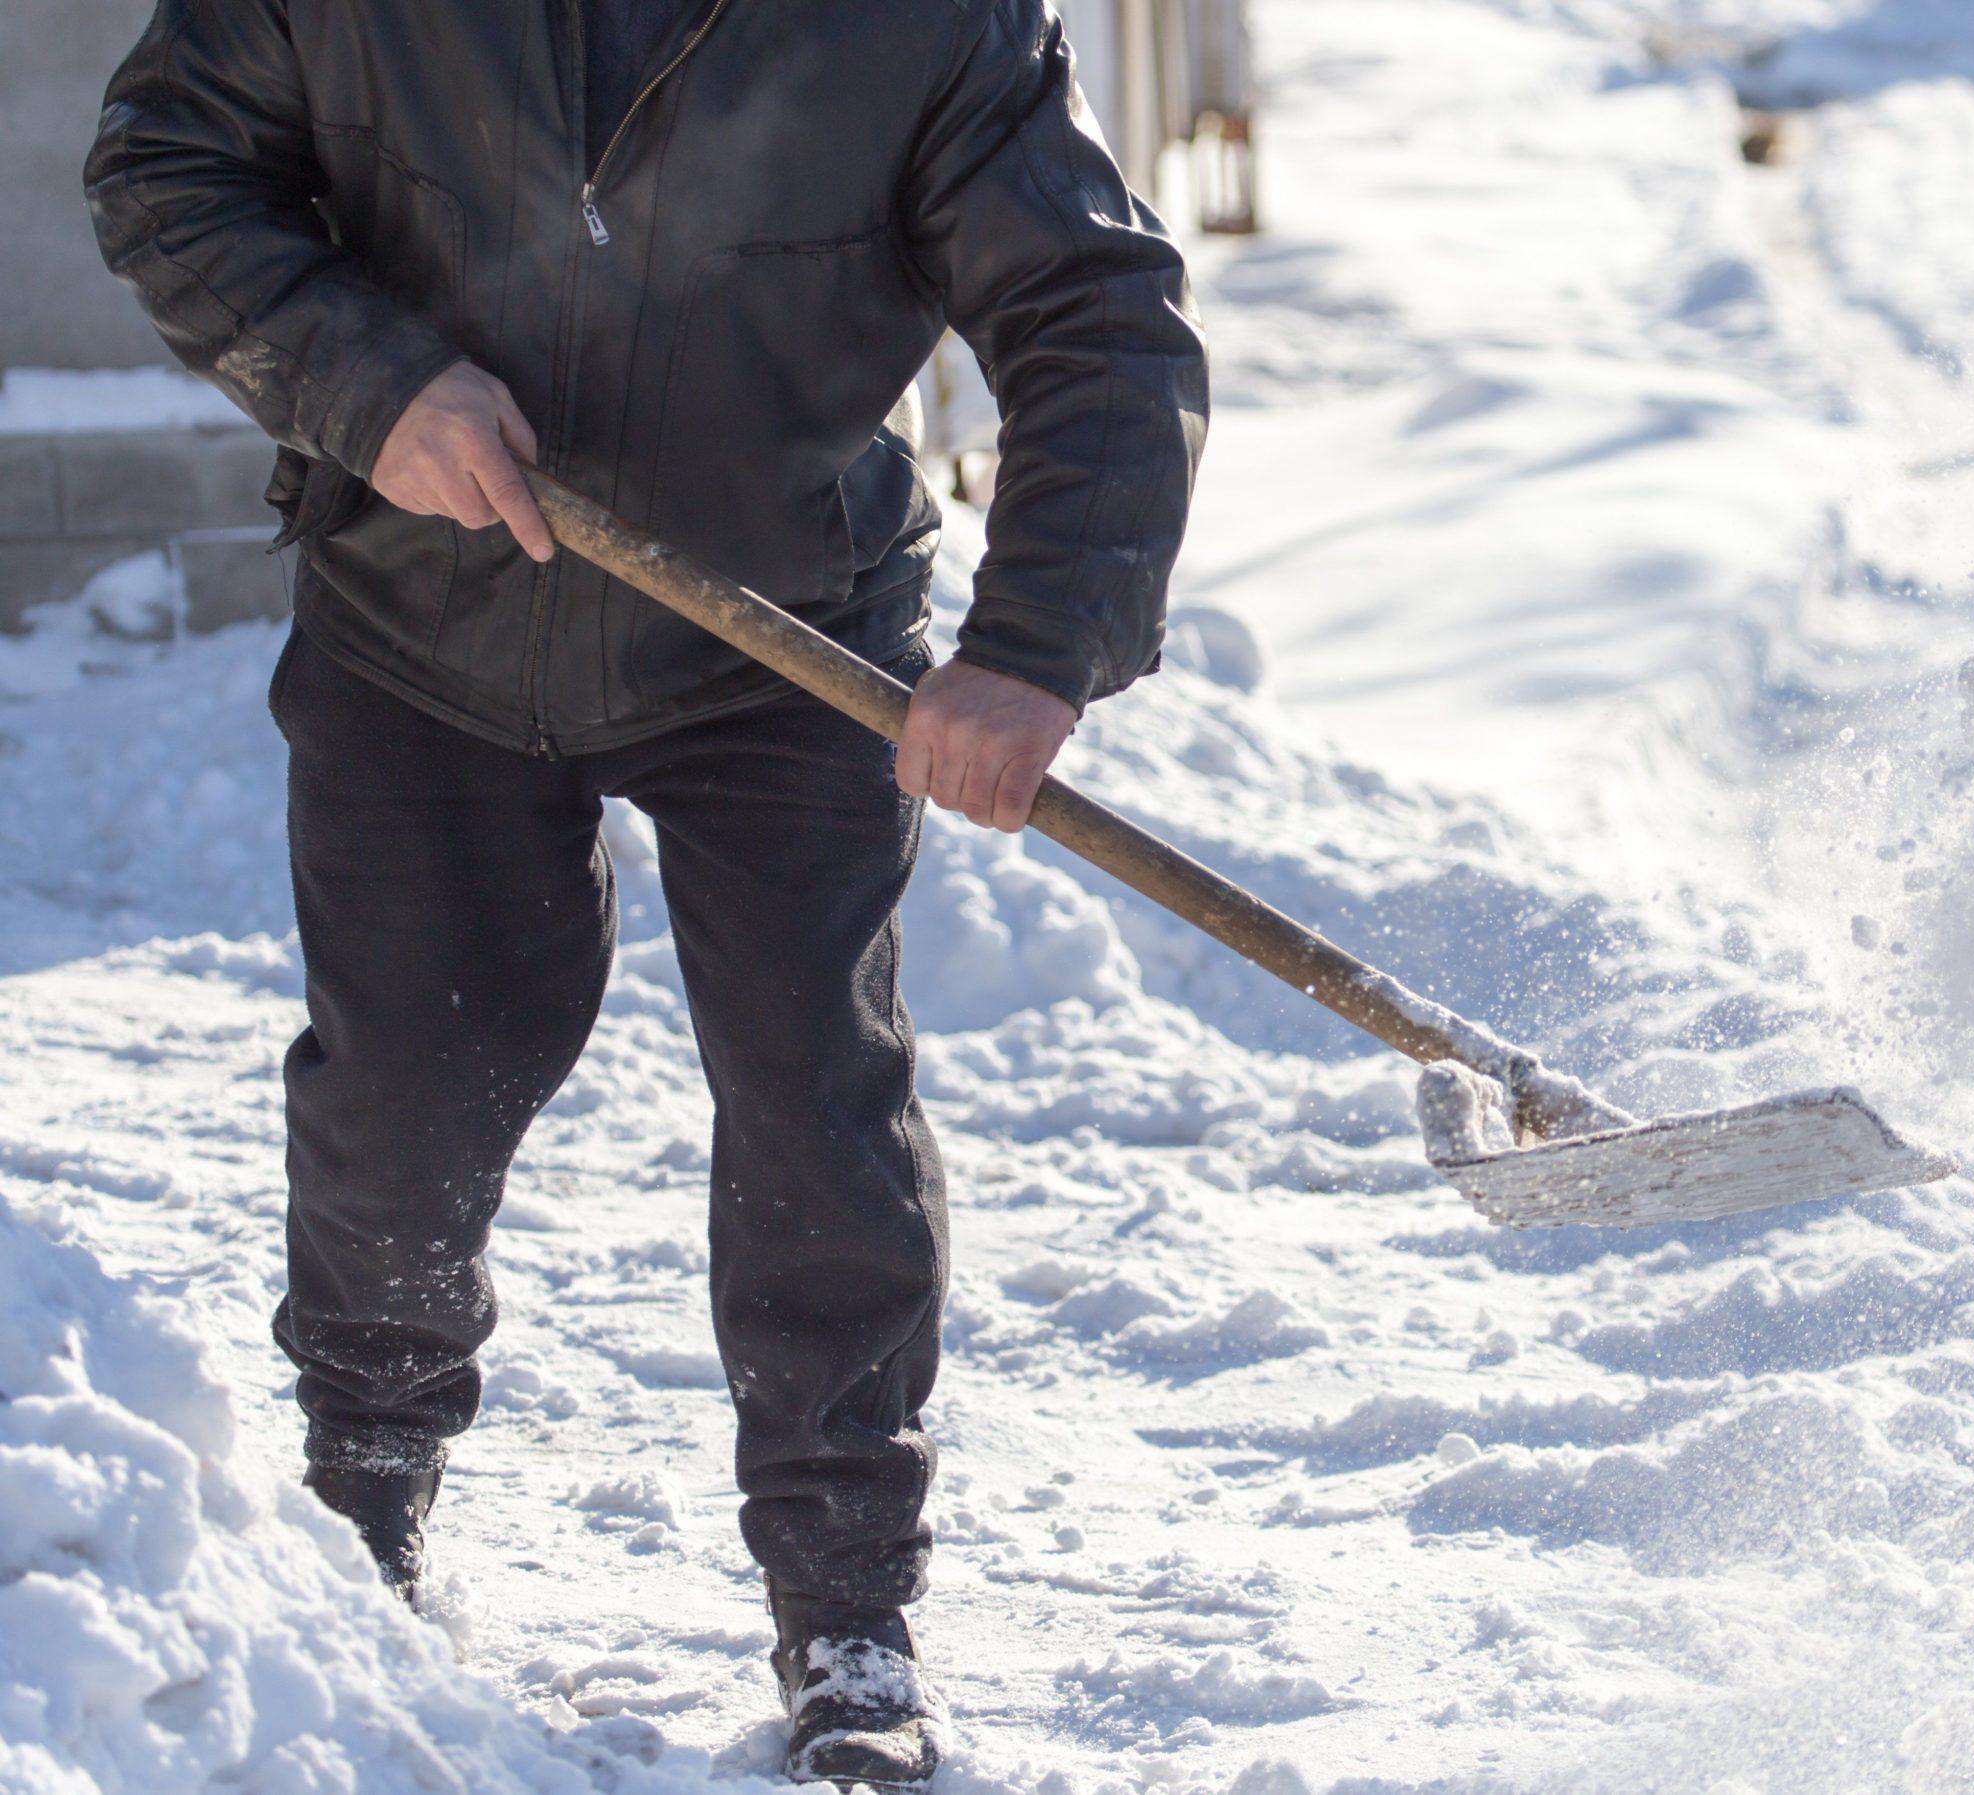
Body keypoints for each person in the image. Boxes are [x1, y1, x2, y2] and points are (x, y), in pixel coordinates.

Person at [86, 0, 1208, 1783]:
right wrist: (369, 384)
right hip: (421, 625)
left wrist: (1037, 647)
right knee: (409, 1088)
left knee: (811, 1098)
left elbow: (1097, 316)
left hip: (783, 636)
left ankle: (849, 1608)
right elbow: (167, 170)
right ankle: (362, 1503)